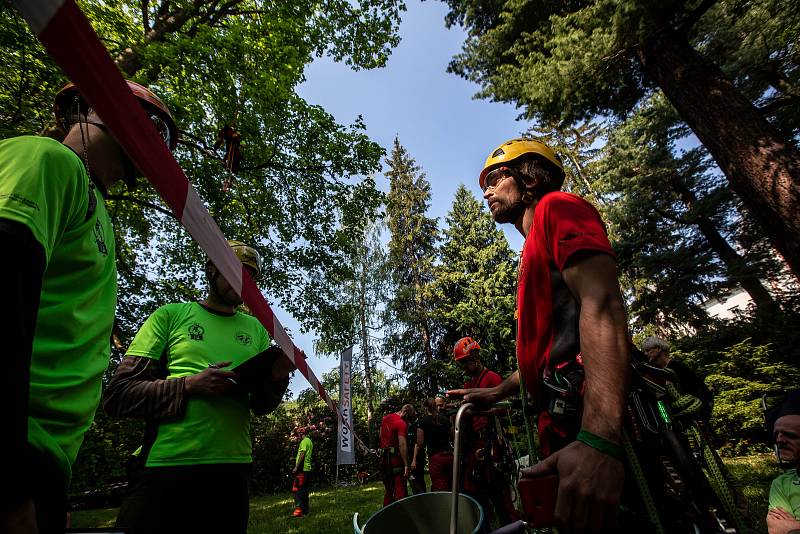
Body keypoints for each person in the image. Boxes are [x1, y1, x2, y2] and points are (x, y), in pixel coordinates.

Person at [0, 80, 177, 533]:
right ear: (96, 108)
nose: (154, 142)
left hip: (45, 460)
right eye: (149, 124)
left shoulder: (97, 212)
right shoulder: (46, 158)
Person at [449, 138, 630, 532]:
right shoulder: (531, 249)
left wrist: (600, 438)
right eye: (485, 183)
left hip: (591, 418)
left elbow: (603, 305)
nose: (486, 190)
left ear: (529, 176)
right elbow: (556, 346)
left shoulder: (557, 208)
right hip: (563, 418)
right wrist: (500, 390)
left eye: (496, 177)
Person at [103, 240, 294, 533]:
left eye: (250, 277)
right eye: (234, 271)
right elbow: (119, 394)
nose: (243, 283)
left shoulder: (257, 329)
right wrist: (190, 385)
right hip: (167, 466)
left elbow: (261, 406)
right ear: (211, 271)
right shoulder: (170, 316)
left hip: (232, 471)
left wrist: (278, 376)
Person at [453, 336, 516, 526]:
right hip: (473, 446)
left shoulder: (491, 378)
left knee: (499, 493)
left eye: (465, 362)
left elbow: (504, 407)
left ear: (475, 357)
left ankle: (510, 526)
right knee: (474, 492)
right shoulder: (467, 385)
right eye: (460, 364)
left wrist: (483, 411)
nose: (463, 367)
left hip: (490, 442)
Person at [642, 336, 714, 421]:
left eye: (648, 350)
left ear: (658, 349)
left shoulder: (676, 367)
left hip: (696, 411)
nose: (645, 354)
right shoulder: (661, 371)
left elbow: (696, 386)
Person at [766, 390, 800, 534]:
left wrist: (791, 527)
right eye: (776, 435)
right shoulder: (781, 484)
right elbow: (776, 529)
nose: (779, 440)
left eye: (790, 435)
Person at [379, 400, 413, 506]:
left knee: (389, 490)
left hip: (383, 459)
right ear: (406, 413)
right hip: (395, 460)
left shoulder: (385, 418)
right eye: (409, 418)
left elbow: (380, 435)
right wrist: (407, 465)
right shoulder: (401, 423)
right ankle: (401, 517)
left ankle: (385, 515)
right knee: (400, 490)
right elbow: (402, 445)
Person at [415, 397, 453, 491]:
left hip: (436, 458)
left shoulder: (423, 422)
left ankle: (444, 505)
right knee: (453, 484)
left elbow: (420, 443)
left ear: (426, 408)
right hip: (450, 455)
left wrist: (414, 458)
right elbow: (453, 436)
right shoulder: (445, 419)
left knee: (440, 487)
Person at [292, 427, 315, 518]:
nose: (298, 436)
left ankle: (298, 511)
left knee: (297, 490)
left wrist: (296, 466)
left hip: (302, 469)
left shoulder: (304, 441)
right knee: (304, 490)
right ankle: (306, 510)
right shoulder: (309, 441)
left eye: (298, 434)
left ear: (301, 434)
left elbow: (302, 454)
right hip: (307, 469)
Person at [406, 405, 427, 494]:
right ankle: (416, 495)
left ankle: (422, 496)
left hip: (418, 457)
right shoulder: (407, 425)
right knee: (412, 480)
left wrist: (414, 460)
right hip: (409, 456)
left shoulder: (419, 424)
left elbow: (417, 443)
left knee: (419, 480)